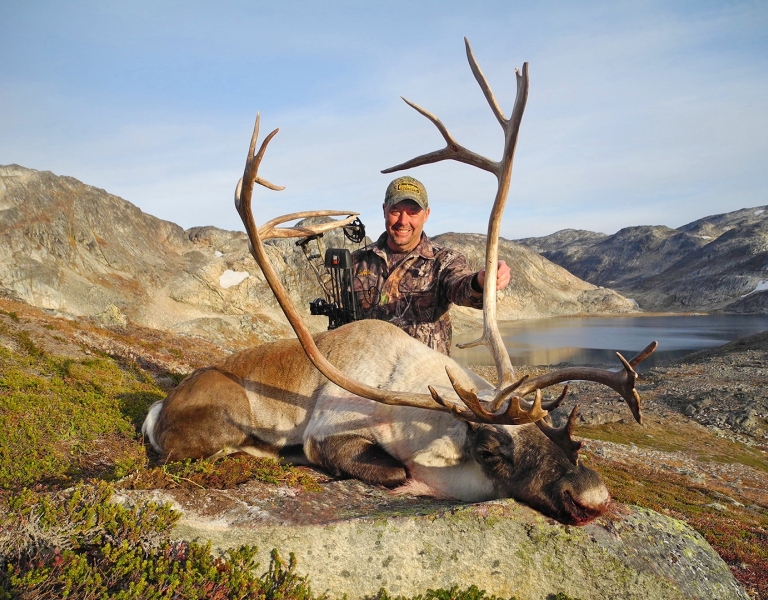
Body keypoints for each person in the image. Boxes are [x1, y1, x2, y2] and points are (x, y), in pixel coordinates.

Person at [351, 175, 510, 356]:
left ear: (426, 214)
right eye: (395, 211)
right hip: (366, 377)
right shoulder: (357, 261)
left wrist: (481, 281)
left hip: (425, 379)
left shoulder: (444, 260)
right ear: (384, 210)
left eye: (412, 212)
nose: (403, 221)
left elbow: (461, 287)